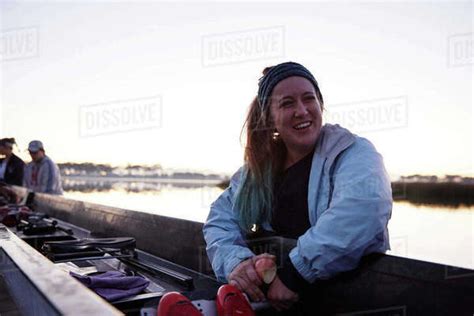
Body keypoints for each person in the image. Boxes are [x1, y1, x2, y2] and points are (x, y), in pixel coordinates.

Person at [203, 62, 392, 312]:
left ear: (320, 105)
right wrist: (238, 262)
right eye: (287, 103)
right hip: (275, 296)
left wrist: (294, 274)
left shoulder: (352, 152)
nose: (302, 111)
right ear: (269, 117)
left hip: (343, 298)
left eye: (308, 99)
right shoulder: (255, 173)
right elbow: (219, 220)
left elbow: (364, 208)